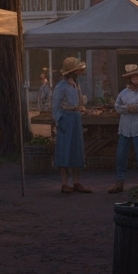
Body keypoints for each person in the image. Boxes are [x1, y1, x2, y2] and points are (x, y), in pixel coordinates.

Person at [54, 57, 91, 194]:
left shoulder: (75, 84)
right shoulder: (61, 86)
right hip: (66, 118)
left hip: (75, 118)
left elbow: (80, 101)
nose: (80, 72)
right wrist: (59, 121)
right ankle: (64, 183)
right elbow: (56, 106)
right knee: (65, 150)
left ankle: (76, 182)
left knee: (76, 149)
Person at [110, 64, 138, 194]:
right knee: (121, 157)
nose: (136, 79)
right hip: (125, 129)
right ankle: (119, 182)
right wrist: (127, 108)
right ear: (130, 79)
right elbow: (117, 107)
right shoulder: (124, 93)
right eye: (133, 77)